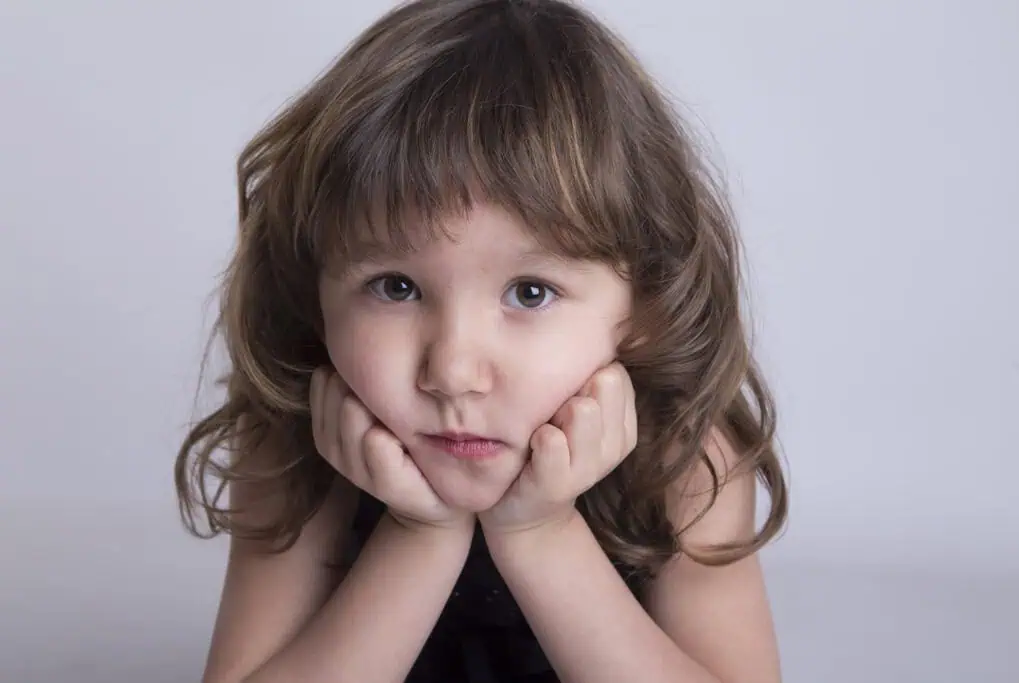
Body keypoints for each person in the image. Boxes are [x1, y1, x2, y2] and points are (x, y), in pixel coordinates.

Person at [174, 1, 789, 681]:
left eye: (530, 292)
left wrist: (541, 534)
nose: (454, 371)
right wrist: (419, 536)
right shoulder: (294, 437)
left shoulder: (688, 451)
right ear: (314, 291)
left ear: (646, 303)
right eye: (396, 287)